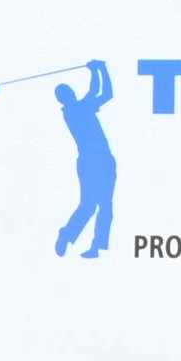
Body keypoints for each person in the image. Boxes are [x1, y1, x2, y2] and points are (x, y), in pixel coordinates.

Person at [52, 59, 115, 262]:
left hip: (102, 159)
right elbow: (97, 91)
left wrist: (99, 69)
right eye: (67, 93)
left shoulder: (81, 107)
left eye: (70, 90)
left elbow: (107, 94)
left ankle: (95, 246)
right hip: (92, 162)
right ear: (63, 99)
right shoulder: (75, 110)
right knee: (90, 205)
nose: (71, 93)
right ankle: (66, 235)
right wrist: (98, 69)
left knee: (104, 206)